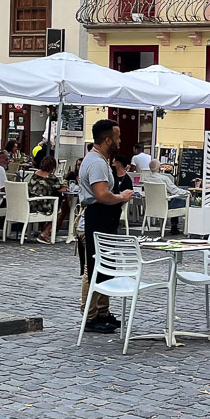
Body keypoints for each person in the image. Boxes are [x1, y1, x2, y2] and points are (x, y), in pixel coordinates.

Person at [77, 119, 133, 332]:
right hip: (96, 219)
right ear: (107, 140)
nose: (120, 140)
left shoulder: (98, 160)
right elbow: (101, 195)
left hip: (102, 219)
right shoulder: (97, 163)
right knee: (93, 267)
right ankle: (90, 316)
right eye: (117, 137)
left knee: (105, 265)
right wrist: (121, 197)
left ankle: (102, 311)